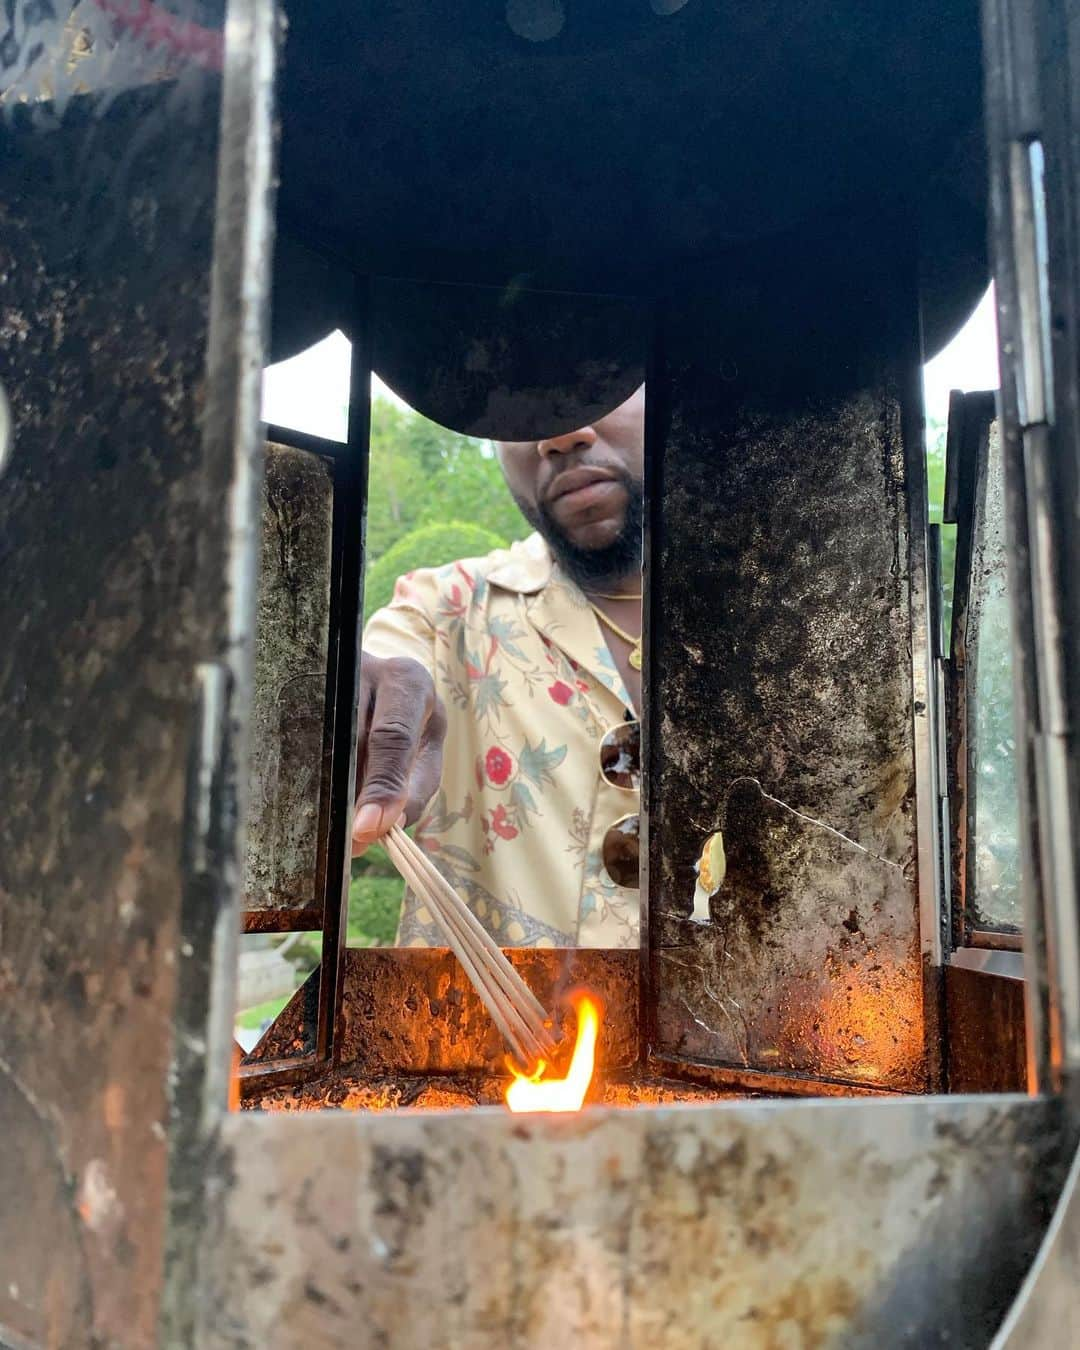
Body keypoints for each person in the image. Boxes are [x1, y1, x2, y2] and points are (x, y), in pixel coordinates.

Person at [351, 386, 645, 948]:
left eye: (600, 383)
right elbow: (388, 668)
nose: (561, 435)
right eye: (516, 402)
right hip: (475, 1034)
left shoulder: (795, 621)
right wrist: (356, 712)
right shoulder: (442, 611)